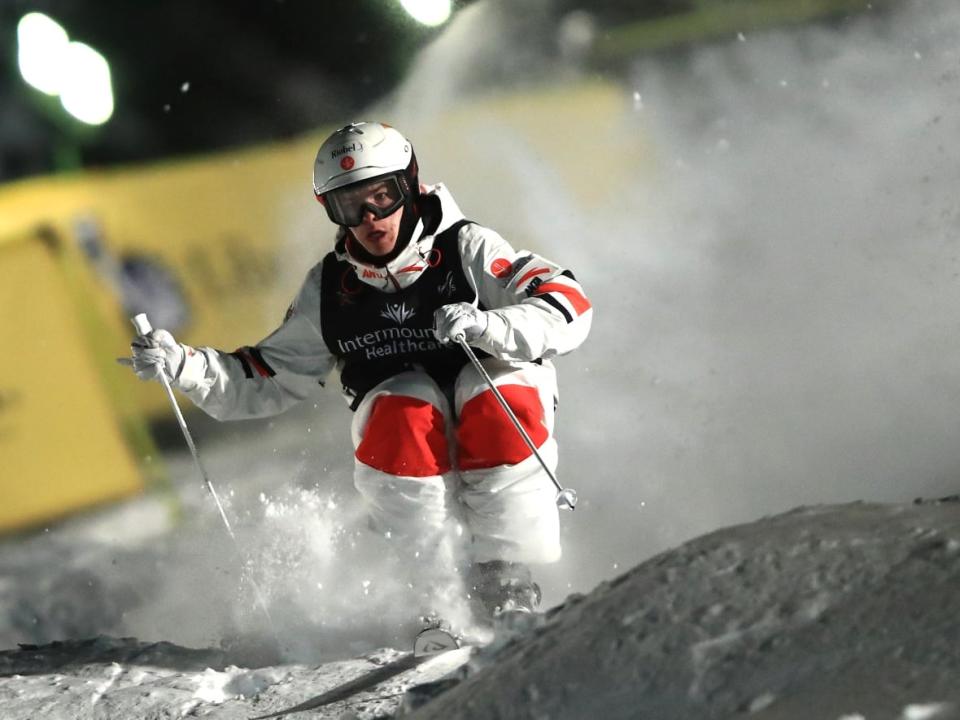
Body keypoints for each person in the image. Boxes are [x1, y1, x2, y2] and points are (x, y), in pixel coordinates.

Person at [129, 121, 592, 627]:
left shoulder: (467, 248)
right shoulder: (331, 289)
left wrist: (492, 324)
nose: (372, 218)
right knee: (403, 410)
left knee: (489, 395)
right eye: (350, 206)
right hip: (405, 416)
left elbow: (568, 303)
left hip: (497, 389)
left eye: (384, 196)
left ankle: (506, 575)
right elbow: (266, 374)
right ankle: (432, 590)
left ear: (410, 186)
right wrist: (186, 366)